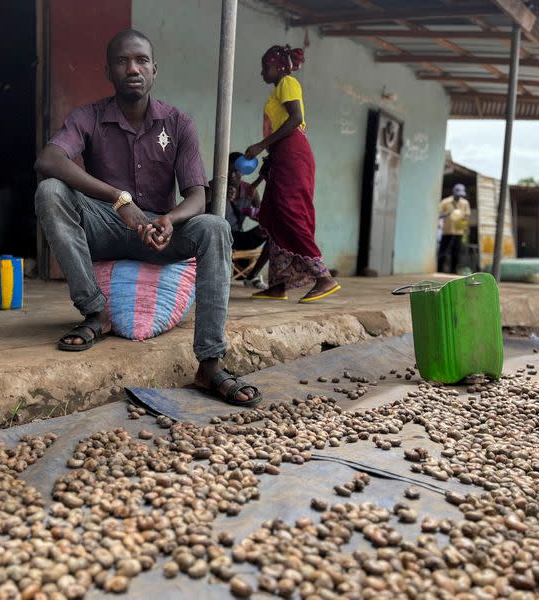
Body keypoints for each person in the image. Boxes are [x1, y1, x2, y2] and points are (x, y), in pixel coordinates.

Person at [33, 29, 261, 407]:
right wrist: (118, 200)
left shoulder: (177, 123)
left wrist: (170, 220)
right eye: (122, 61)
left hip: (161, 234)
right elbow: (49, 160)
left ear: (155, 70)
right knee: (50, 191)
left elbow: (198, 195)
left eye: (141, 61)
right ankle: (94, 313)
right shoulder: (89, 117)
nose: (132, 68)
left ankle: (209, 362)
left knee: (215, 227)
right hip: (105, 224)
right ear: (108, 71)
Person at [244, 45, 340, 303]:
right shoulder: (278, 90)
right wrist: (265, 165)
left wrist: (261, 145)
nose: (263, 71)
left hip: (294, 154)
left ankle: (323, 277)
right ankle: (278, 284)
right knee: (275, 216)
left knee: (290, 212)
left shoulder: (288, 82)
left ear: (280, 66)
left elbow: (295, 118)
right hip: (281, 156)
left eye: (266, 66)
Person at [207, 152, 267, 289]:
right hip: (215, 237)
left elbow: (263, 217)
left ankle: (252, 276)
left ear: (243, 171)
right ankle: (219, 275)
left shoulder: (249, 190)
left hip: (237, 237)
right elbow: (200, 210)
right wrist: (219, 195)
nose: (232, 174)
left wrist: (253, 212)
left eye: (236, 170)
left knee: (271, 230)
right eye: (229, 170)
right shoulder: (213, 186)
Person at [438, 183, 471, 274]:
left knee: (456, 253)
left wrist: (464, 225)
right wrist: (447, 214)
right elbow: (439, 214)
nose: (459, 197)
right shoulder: (445, 202)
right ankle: (439, 270)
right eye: (458, 194)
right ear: (454, 192)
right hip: (447, 232)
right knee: (443, 253)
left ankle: (453, 272)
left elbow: (467, 216)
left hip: (459, 232)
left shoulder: (465, 203)